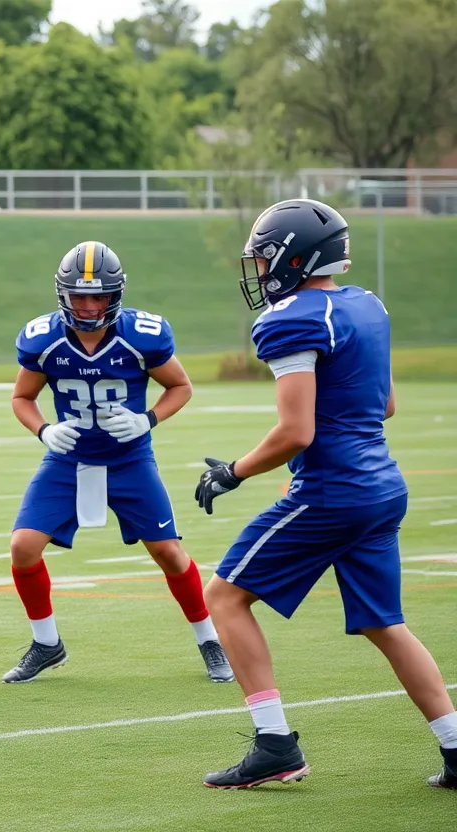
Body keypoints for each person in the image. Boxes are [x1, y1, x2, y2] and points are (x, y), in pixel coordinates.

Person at [196, 198, 457, 790]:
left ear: (295, 257)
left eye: (266, 257)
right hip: (382, 486)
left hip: (333, 490)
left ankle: (274, 744)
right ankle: (456, 746)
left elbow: (296, 432)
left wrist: (234, 471)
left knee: (225, 597)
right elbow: (385, 405)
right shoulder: (367, 304)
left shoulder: (292, 318)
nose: (261, 270)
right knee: (385, 623)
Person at [4, 241, 233, 685]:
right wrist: (44, 430)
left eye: (100, 296)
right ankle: (47, 643)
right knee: (23, 547)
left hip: (129, 459)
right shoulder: (44, 339)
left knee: (168, 553)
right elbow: (22, 397)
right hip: (67, 460)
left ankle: (210, 640)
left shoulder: (140, 335)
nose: (90, 306)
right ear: (63, 295)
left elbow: (180, 387)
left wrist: (147, 419)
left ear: (116, 295)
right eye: (80, 296)